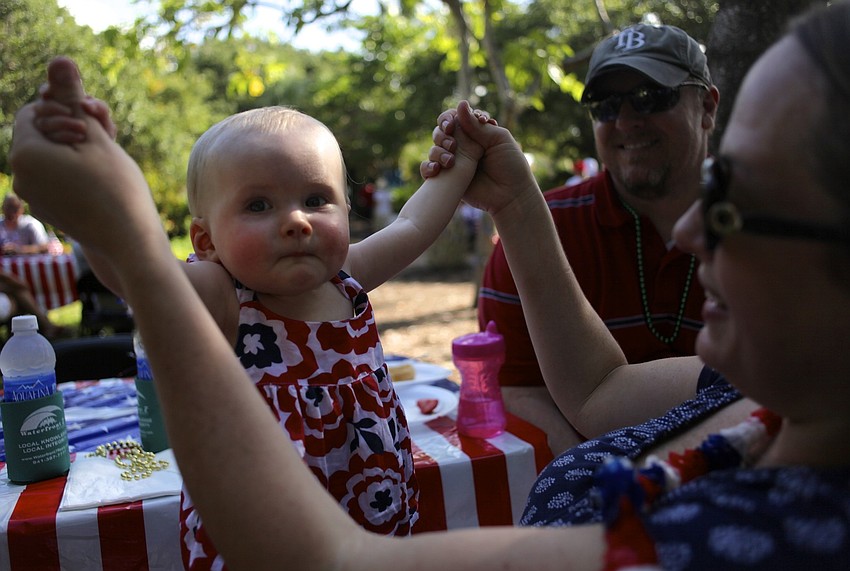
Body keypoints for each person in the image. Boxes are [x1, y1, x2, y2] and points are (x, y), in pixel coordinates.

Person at [12, 3, 850, 565]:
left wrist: (111, 214)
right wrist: (100, 226)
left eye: (737, 201)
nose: (694, 226)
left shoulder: (747, 538)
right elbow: (598, 389)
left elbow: (413, 229)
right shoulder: (763, 402)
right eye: (260, 205)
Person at [33, 61, 496, 569]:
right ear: (206, 242)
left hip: (374, 518)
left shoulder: (345, 275)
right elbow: (133, 275)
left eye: (316, 199)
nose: (296, 221)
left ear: (346, 210)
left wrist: (464, 159)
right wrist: (84, 193)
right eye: (258, 205)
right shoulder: (222, 292)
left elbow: (412, 223)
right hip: (262, 537)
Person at [466, 24, 719, 453]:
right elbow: (513, 384)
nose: (625, 121)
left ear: (708, 107)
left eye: (650, 96)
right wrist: (593, 473)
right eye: (606, 105)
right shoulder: (539, 229)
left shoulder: (775, 226)